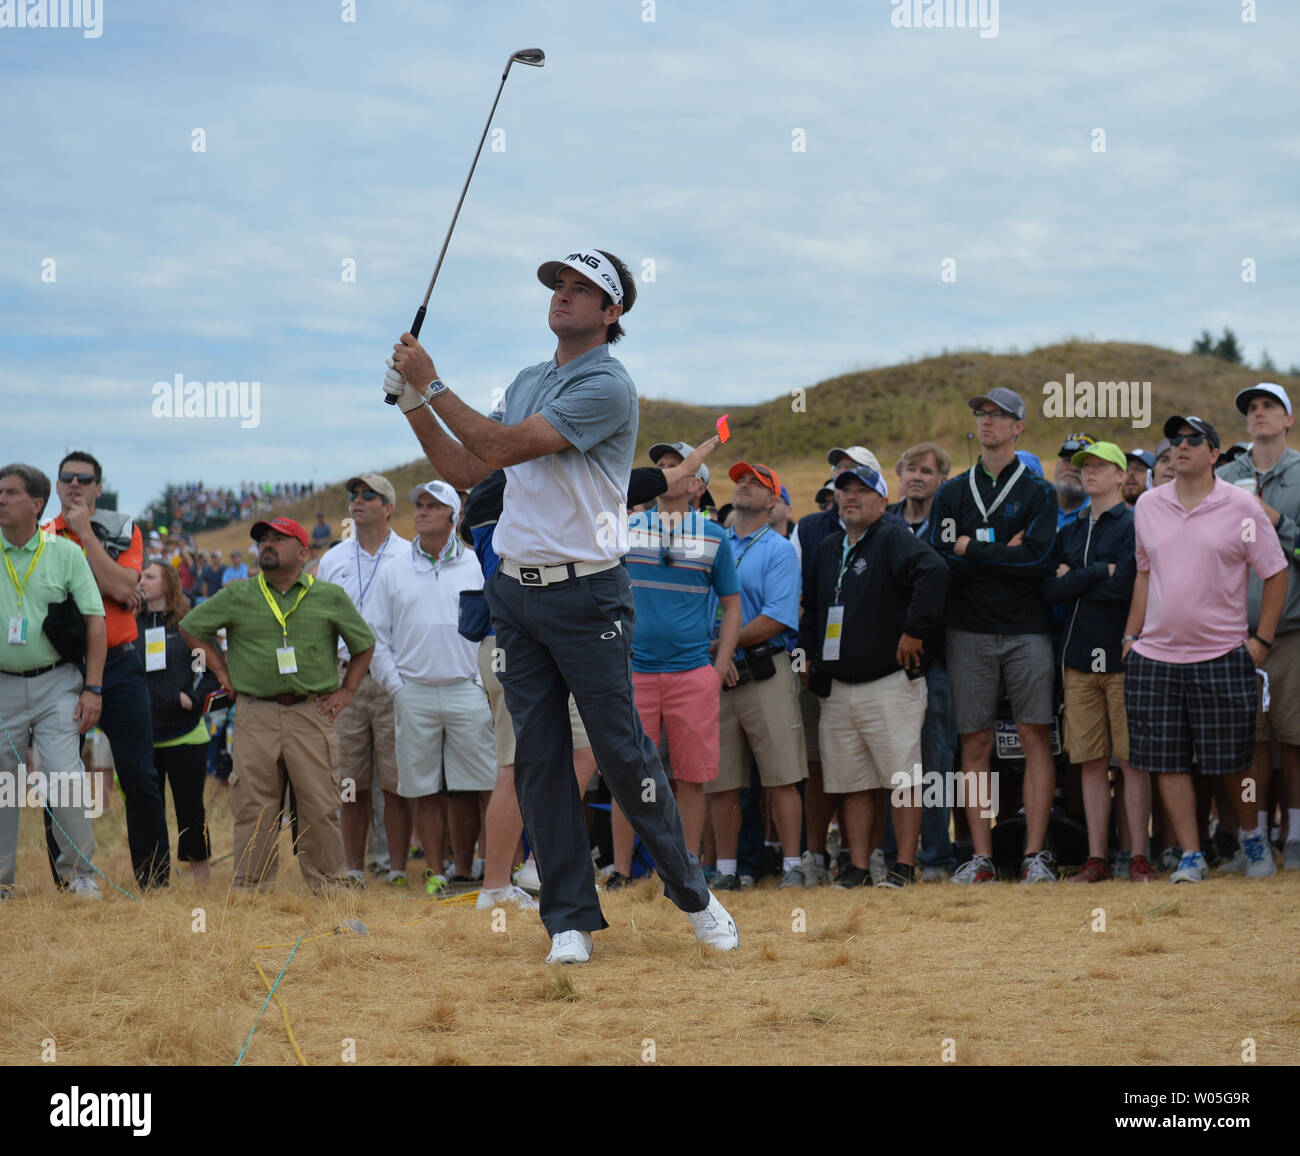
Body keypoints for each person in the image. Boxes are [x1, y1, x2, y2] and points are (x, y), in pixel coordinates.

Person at [385, 246, 737, 962]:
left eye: (583, 290)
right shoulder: (526, 379)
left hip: (589, 593)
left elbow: (505, 444)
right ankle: (569, 919)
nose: (564, 296)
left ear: (612, 314)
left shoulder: (609, 385)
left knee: (620, 751)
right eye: (559, 285)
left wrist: (433, 381)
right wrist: (414, 404)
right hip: (517, 592)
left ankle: (694, 895)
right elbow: (466, 467)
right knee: (540, 762)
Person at [1123, 416, 1287, 882]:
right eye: (1175, 440)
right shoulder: (1149, 506)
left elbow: (1274, 572)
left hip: (1222, 654)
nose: (1182, 446)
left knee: (1235, 761)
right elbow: (1144, 572)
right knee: (1167, 760)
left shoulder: (1242, 508)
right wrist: (1129, 639)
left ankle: (1253, 836)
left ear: (1215, 454)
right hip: (1154, 657)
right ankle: (1192, 854)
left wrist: (1261, 642)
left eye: (1194, 439)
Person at [180, 517, 376, 892]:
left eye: (278, 539)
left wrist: (347, 691)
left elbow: (363, 643)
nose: (267, 545)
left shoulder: (328, 596)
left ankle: (330, 886)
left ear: (303, 552)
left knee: (319, 803)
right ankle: (251, 889)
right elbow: (192, 626)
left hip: (311, 712)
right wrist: (220, 670)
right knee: (253, 804)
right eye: (263, 540)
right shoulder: (238, 594)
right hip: (255, 712)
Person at [928, 388, 1060, 883]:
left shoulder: (1039, 492)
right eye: (981, 413)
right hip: (968, 629)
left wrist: (974, 549)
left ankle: (1034, 855)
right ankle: (981, 857)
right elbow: (943, 556)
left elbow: (1039, 561)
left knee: (1034, 737)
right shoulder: (953, 491)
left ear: (1018, 427)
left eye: (998, 415)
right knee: (976, 741)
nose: (987, 421)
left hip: (1027, 629)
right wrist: (1004, 550)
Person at [800, 465, 948, 888]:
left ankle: (903, 864)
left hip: (889, 682)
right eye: (844, 490)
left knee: (901, 779)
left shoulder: (893, 536)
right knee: (853, 782)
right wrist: (808, 658)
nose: (850, 497)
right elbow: (812, 610)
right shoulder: (829, 547)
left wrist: (915, 631)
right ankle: (859, 866)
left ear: (883, 502)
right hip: (839, 686)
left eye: (862, 491)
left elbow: (934, 572)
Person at [45, 453, 171, 889]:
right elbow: (112, 587)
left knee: (139, 772)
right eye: (67, 477)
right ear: (57, 486)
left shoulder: (122, 529)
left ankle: (154, 880)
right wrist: (114, 582)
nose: (75, 484)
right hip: (58, 669)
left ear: (99, 487)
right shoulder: (40, 536)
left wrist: (84, 535)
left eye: (85, 479)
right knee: (59, 777)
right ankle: (68, 882)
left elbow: (124, 587)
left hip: (119, 665)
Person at [617, 441, 741, 883]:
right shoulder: (626, 528)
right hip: (636, 672)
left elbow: (732, 604)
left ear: (696, 485)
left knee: (692, 776)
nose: (665, 473)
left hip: (692, 673)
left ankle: (686, 871)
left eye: (675, 467)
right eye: (660, 467)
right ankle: (621, 869)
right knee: (629, 775)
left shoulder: (715, 537)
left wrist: (717, 665)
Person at [367, 482, 497, 894]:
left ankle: (478, 869)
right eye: (419, 505)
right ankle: (437, 874)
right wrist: (397, 688)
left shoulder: (477, 564)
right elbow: (375, 635)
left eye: (432, 506)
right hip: (414, 692)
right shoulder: (394, 569)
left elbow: (495, 628)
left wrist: (481, 682)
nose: (422, 512)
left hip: (467, 689)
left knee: (478, 784)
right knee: (422, 787)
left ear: (454, 515)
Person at [1040, 443, 1153, 882]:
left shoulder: (1134, 525)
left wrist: (1079, 580)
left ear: (1120, 475)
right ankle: (1096, 857)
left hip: (1123, 656)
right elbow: (1050, 590)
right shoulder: (1068, 530)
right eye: (1085, 466)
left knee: (1131, 761)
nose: (1088, 472)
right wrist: (1097, 573)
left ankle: (1138, 854)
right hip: (1078, 657)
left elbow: (1127, 587)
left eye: (1100, 466)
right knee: (1089, 760)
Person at [0, 464, 106, 899]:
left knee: (64, 775)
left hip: (56, 684)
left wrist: (93, 688)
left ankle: (81, 876)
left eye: (10, 492)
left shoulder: (66, 552)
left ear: (36, 504)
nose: (1, 499)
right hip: (2, 684)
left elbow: (95, 623)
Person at [705, 461, 809, 889]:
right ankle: (727, 872)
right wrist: (719, 658)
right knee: (722, 779)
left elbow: (777, 618)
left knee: (782, 774)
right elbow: (699, 608)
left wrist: (722, 650)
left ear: (773, 502)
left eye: (757, 482)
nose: (744, 484)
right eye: (740, 480)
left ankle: (793, 867)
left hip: (764, 670)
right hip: (719, 671)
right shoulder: (714, 543)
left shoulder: (780, 549)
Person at [1214, 384, 1300, 871]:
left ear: (1289, 419)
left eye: (1269, 406)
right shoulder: (1224, 477)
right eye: (1251, 408)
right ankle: (1256, 837)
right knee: (1248, 741)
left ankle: (1296, 835)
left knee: (1293, 737)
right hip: (1229, 634)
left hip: (1289, 628)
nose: (1258, 413)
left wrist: (1276, 521)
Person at [313, 473, 408, 887]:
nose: (358, 500)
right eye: (353, 494)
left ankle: (396, 865)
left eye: (369, 495)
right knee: (349, 778)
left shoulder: (408, 554)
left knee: (396, 778)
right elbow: (318, 623)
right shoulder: (333, 559)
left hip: (395, 675)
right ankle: (353, 866)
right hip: (343, 676)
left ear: (388, 507)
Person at [886, 441, 958, 879]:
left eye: (927, 471)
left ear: (941, 481)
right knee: (892, 761)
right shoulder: (885, 523)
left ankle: (936, 856)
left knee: (934, 759)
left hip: (936, 659)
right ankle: (892, 854)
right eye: (910, 469)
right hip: (883, 664)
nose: (917, 477)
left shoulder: (947, 526)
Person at [136, 561, 222, 885]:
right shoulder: (132, 624)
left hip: (186, 735)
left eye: (150, 576)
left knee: (191, 812)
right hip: (144, 734)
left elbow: (213, 670)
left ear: (168, 583)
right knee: (148, 812)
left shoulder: (188, 624)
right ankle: (154, 881)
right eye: (141, 575)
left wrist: (193, 696)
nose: (141, 579)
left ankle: (203, 882)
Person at [1055, 434, 1095, 529]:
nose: (1074, 468)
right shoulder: (1034, 504)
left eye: (1084, 464)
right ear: (1057, 464)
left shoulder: (1101, 517)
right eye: (1068, 460)